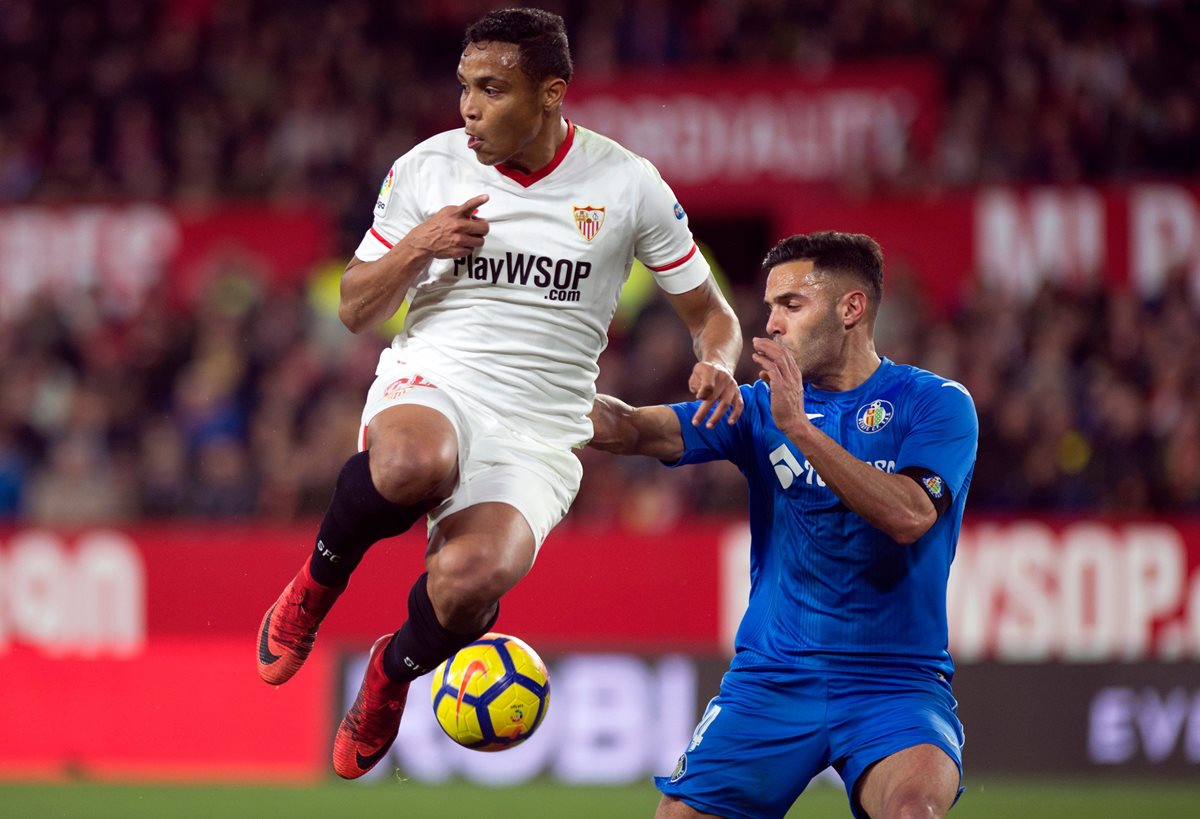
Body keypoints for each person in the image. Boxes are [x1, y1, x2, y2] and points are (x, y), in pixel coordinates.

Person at [255, 7, 743, 780]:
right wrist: (421, 245)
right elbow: (354, 308)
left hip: (541, 426)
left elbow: (711, 314)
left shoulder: (627, 184)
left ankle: (390, 671)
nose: (470, 108)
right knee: (413, 463)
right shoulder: (428, 168)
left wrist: (716, 360)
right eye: (464, 87)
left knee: (470, 579)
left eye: (493, 88)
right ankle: (314, 587)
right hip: (437, 378)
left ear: (552, 93)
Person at [589, 231, 978, 819]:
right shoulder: (753, 411)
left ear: (851, 308)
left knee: (911, 812)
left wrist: (799, 428)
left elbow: (909, 514)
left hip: (894, 683)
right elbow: (631, 429)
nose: (770, 324)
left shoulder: (935, 404)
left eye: (791, 305)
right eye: (770, 307)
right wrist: (527, 390)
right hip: (774, 677)